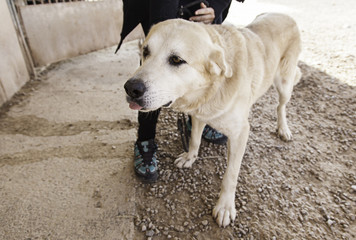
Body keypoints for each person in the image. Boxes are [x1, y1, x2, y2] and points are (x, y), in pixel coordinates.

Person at [116, 0, 245, 183]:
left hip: (200, 10)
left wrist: (216, 6)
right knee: (150, 72)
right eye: (145, 52)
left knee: (199, 73)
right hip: (157, 8)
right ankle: (145, 139)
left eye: (174, 61)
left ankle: (198, 120)